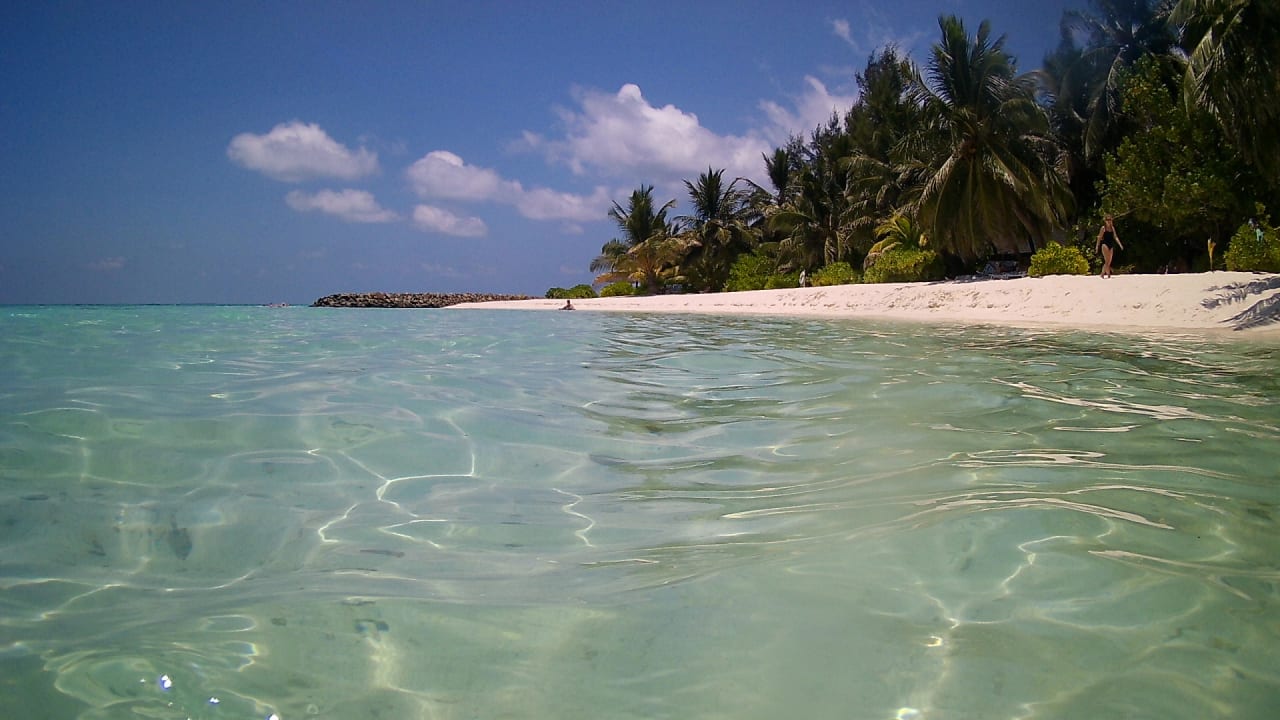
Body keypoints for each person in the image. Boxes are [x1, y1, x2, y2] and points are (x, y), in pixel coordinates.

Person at [1095, 214, 1124, 278]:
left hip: (1111, 244)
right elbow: (1099, 237)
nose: (1108, 221)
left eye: (1110, 219)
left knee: (1109, 261)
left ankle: (1108, 274)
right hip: (1104, 244)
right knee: (1107, 260)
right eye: (1107, 220)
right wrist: (1097, 246)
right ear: (1105, 221)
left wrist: (1120, 244)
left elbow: (1115, 237)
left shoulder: (1112, 228)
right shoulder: (1103, 228)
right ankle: (1103, 274)